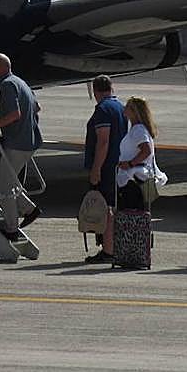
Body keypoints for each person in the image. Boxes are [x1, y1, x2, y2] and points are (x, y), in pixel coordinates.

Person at [0, 52, 41, 237]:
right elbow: (37, 107)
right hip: (28, 141)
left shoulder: (7, 85)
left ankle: (12, 228)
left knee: (4, 185)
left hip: (17, 144)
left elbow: (15, 114)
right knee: (0, 180)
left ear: (3, 67)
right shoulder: (20, 82)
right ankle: (29, 209)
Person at [83, 74, 127, 264]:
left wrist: (96, 169)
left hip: (107, 167)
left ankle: (109, 250)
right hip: (118, 165)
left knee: (106, 208)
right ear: (111, 88)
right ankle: (114, 246)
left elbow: (103, 142)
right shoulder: (120, 107)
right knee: (114, 207)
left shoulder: (103, 109)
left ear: (95, 91)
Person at [116, 96, 167, 211]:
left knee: (130, 209)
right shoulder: (137, 129)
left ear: (134, 112)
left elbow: (146, 151)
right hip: (135, 176)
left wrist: (130, 163)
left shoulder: (138, 130)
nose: (124, 108)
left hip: (134, 177)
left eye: (128, 107)